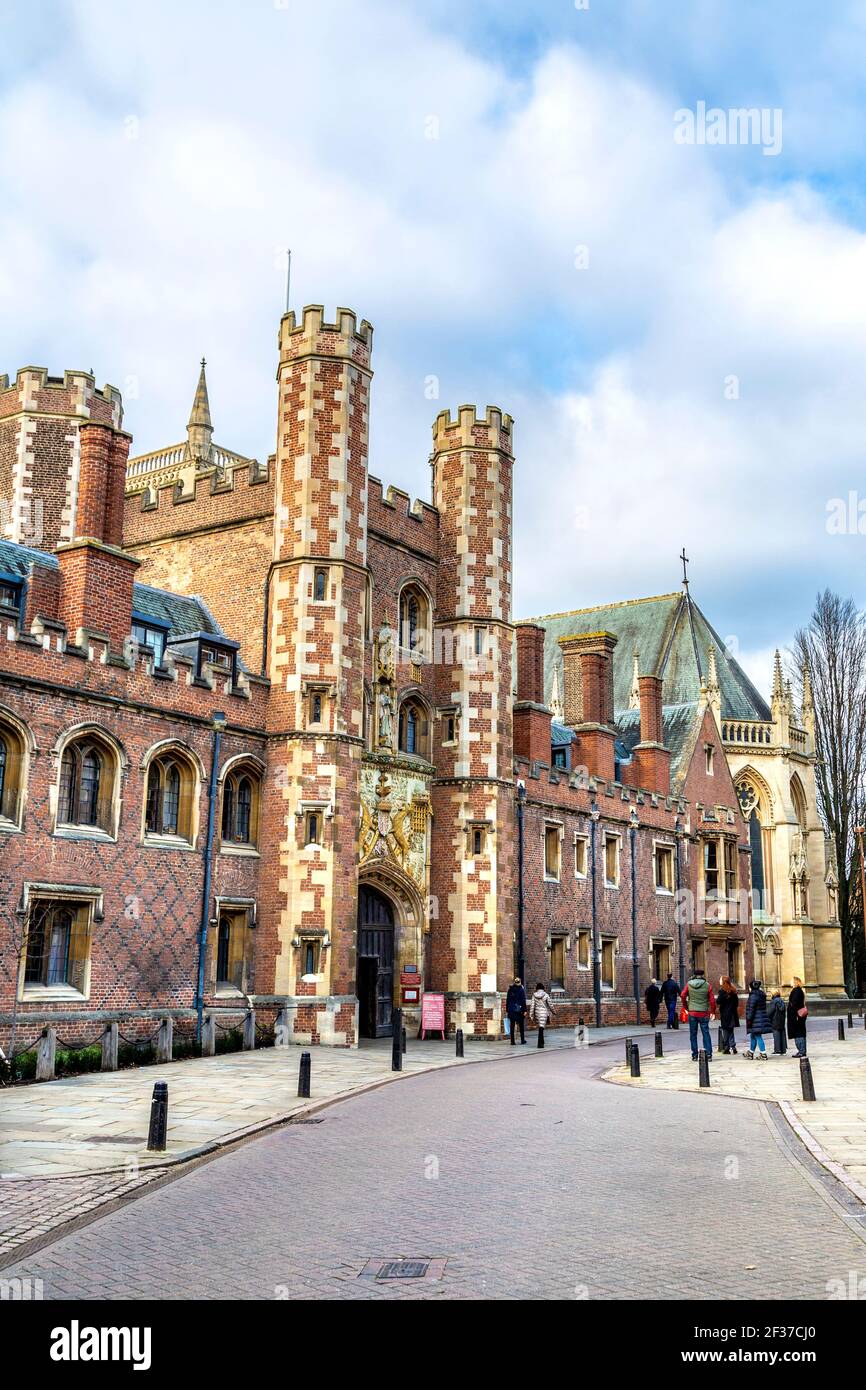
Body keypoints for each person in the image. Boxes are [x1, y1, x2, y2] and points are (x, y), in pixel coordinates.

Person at [681, 967, 716, 1060]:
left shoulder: (689, 984)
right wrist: (712, 1011)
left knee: (693, 1034)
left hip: (692, 1013)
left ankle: (694, 1055)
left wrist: (686, 1007)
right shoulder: (707, 985)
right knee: (706, 1033)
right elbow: (712, 1000)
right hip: (704, 1013)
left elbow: (683, 995)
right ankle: (708, 1054)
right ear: (702, 975)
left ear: (694, 975)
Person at [744, 978, 770, 1059]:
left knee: (758, 1036)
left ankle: (763, 1053)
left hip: (756, 1019)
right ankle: (751, 1052)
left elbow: (751, 1009)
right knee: (753, 1035)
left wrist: (748, 1018)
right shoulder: (761, 995)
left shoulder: (753, 996)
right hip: (760, 1017)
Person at [717, 975, 740, 1054]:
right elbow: (736, 1003)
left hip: (725, 1014)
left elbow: (718, 1001)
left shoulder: (722, 991)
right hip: (733, 1013)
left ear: (723, 981)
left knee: (725, 1031)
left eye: (720, 979)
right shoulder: (733, 990)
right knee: (731, 1030)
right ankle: (733, 1047)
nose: (719, 981)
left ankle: (727, 1048)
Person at [529, 982, 555, 1048]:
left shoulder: (534, 995)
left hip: (537, 1013)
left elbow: (532, 1006)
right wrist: (554, 1011)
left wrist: (531, 1015)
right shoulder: (546, 995)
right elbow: (550, 1004)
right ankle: (541, 1043)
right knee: (542, 1028)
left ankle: (541, 1042)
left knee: (540, 1028)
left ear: (537, 988)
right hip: (544, 1013)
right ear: (543, 988)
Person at [787, 976, 808, 1058]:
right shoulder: (799, 991)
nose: (790, 982)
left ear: (795, 982)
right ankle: (802, 1051)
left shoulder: (796, 991)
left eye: (792, 981)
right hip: (798, 1016)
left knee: (798, 1033)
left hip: (796, 1016)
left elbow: (795, 1004)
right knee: (800, 1032)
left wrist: (793, 1013)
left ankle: (801, 1051)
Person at [505, 976, 527, 1045]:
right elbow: (523, 1001)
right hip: (519, 1010)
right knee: (521, 1025)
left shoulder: (510, 989)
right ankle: (522, 1040)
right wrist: (525, 1010)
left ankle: (512, 1041)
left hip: (511, 1009)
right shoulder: (521, 989)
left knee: (512, 1025)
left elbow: (507, 1000)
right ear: (520, 982)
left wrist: (507, 1010)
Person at [767, 988, 787, 1055]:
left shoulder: (774, 1001)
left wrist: (767, 1017)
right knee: (782, 1034)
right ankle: (783, 1050)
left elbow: (770, 1012)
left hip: (775, 1020)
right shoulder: (781, 1000)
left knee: (776, 1035)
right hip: (781, 1020)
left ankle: (777, 1050)